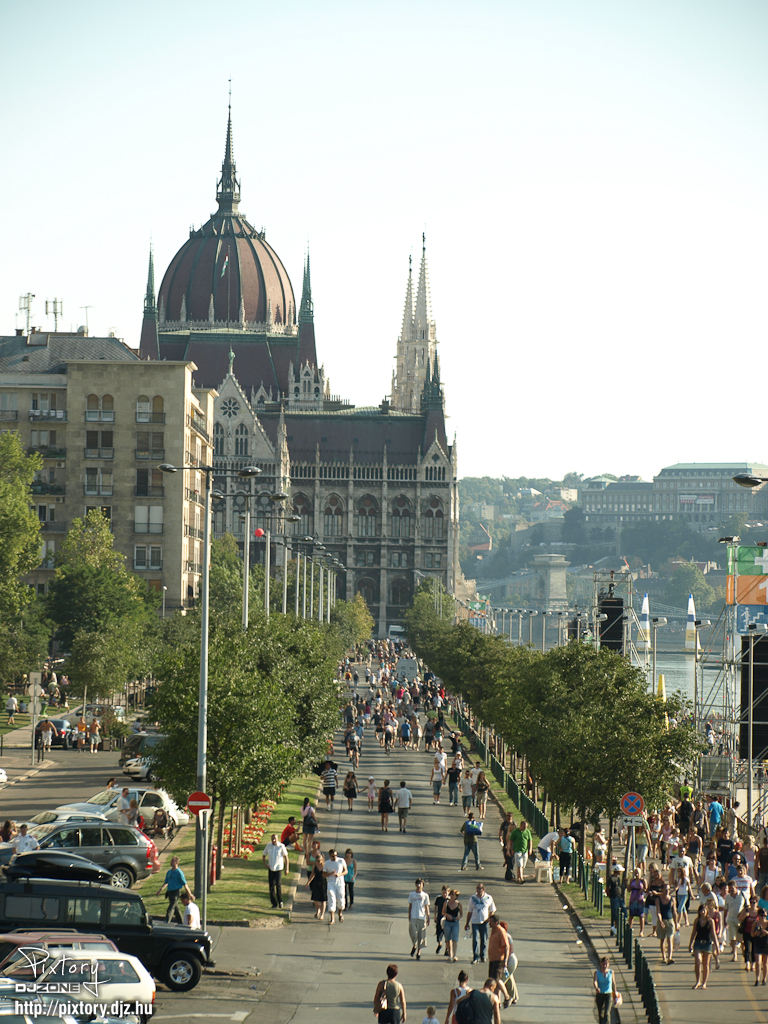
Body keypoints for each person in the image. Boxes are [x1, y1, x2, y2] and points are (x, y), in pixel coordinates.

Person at [464, 882, 496, 964]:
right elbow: (470, 911)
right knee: (475, 939)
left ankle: (483, 956)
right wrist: (467, 923)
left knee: (484, 939)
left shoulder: (488, 898)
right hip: (475, 921)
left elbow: (492, 910)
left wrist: (489, 919)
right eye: (477, 889)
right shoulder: (473, 898)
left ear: (483, 889)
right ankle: (475, 957)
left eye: (479, 889)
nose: (478, 891)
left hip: (484, 922)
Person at [689, 903, 717, 989]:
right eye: (701, 910)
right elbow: (693, 932)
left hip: (707, 943)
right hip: (698, 942)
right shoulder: (697, 921)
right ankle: (698, 981)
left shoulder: (710, 921)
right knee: (698, 961)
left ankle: (704, 983)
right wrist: (690, 944)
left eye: (704, 910)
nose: (702, 912)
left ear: (707, 911)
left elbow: (713, 934)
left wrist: (716, 946)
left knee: (706, 964)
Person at [156, 856, 191, 923]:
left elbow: (185, 884)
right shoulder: (169, 872)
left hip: (176, 892)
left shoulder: (179, 872)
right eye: (171, 861)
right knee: (176, 908)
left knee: (171, 907)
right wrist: (160, 890)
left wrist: (190, 894)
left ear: (176, 863)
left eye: (172, 861)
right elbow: (166, 882)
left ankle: (167, 921)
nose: (171, 863)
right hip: (170, 892)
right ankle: (180, 922)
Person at [262, 833, 290, 909]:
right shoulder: (268, 845)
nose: (274, 840)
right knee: (271, 886)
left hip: (278, 868)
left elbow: (286, 858)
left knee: (278, 885)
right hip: (271, 868)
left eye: (275, 839)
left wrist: (287, 868)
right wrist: (265, 864)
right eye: (272, 839)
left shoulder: (281, 846)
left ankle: (280, 901)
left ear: (278, 839)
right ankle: (274, 903)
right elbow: (264, 855)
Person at [655, 882, 679, 965]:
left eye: (668, 889)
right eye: (665, 889)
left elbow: (674, 912)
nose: (667, 891)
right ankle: (664, 957)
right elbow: (658, 911)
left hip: (670, 920)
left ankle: (670, 957)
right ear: (662, 890)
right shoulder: (658, 899)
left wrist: (676, 923)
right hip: (662, 920)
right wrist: (660, 921)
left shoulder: (672, 899)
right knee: (662, 940)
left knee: (670, 939)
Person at [408, 878, 430, 959]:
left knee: (421, 935)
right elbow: (410, 906)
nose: (418, 885)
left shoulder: (425, 895)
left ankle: (418, 952)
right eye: (417, 884)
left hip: (422, 917)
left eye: (420, 884)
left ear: (422, 885)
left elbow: (426, 906)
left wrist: (428, 917)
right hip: (413, 916)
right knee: (413, 933)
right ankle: (414, 944)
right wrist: (409, 915)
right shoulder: (412, 894)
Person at [323, 848, 346, 925]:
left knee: (341, 899)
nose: (335, 857)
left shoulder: (341, 861)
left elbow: (346, 871)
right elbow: (323, 874)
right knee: (331, 899)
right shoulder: (327, 863)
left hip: (340, 883)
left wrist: (340, 874)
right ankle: (332, 918)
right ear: (330, 856)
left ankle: (340, 913)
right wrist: (330, 874)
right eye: (333, 856)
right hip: (331, 883)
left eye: (336, 855)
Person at [593, 955, 618, 1024]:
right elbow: (595, 981)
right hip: (600, 994)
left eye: (606, 964)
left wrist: (615, 992)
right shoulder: (597, 973)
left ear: (608, 964)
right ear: (601, 964)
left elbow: (613, 983)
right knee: (600, 1013)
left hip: (608, 994)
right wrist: (596, 987)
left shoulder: (611, 972)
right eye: (603, 964)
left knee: (606, 1013)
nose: (605, 966)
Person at [441, 889, 462, 962]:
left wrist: (459, 917)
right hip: (447, 922)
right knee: (447, 939)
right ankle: (450, 955)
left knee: (455, 939)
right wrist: (447, 915)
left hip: (455, 923)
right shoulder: (446, 903)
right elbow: (443, 912)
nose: (451, 896)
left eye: (453, 895)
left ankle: (454, 955)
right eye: (451, 894)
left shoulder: (458, 904)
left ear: (456, 896)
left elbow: (461, 914)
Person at [509, 819, 532, 884]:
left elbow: (530, 840)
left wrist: (530, 849)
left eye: (526, 827)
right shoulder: (515, 832)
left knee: (522, 865)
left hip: (525, 851)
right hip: (517, 850)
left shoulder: (527, 832)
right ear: (521, 826)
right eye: (524, 827)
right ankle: (521, 878)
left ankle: (518, 878)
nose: (525, 828)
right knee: (519, 864)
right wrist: (511, 849)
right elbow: (511, 841)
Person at [306, 852, 327, 919]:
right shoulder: (315, 865)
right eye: (317, 861)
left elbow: (328, 875)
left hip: (323, 883)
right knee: (315, 899)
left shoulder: (325, 866)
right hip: (316, 883)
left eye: (320, 860)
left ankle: (322, 914)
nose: (319, 862)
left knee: (323, 900)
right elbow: (312, 874)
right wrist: (308, 882)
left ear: (322, 859)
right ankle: (318, 910)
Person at [434, 884, 449, 956]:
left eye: (446, 893)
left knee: (447, 935)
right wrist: (435, 916)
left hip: (447, 920)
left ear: (448, 892)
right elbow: (435, 907)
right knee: (438, 933)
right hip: (439, 918)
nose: (445, 894)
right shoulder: (438, 899)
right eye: (443, 892)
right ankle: (440, 944)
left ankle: (447, 949)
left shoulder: (450, 900)